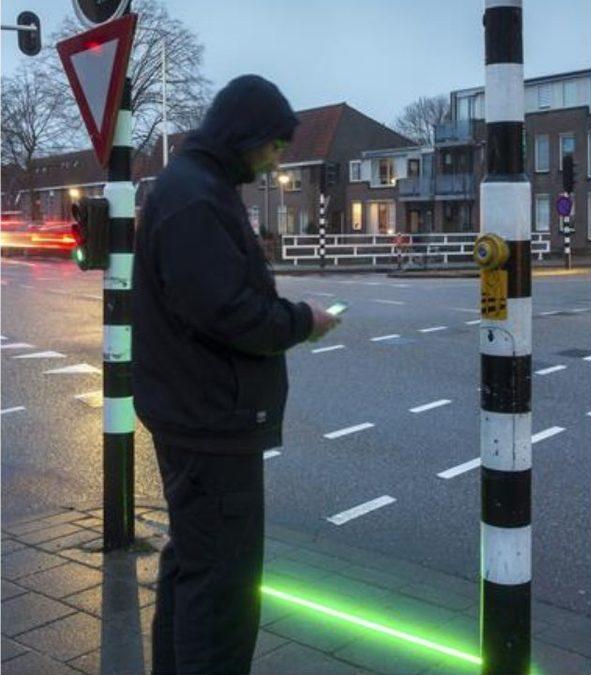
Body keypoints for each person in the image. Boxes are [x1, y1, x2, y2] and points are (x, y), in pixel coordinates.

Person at [132, 75, 340, 673]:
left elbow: (212, 296)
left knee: (192, 566)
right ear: (245, 134)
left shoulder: (193, 187)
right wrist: (303, 320)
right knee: (222, 586)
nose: (277, 158)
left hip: (197, 413)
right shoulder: (197, 197)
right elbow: (226, 311)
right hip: (212, 420)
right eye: (275, 145)